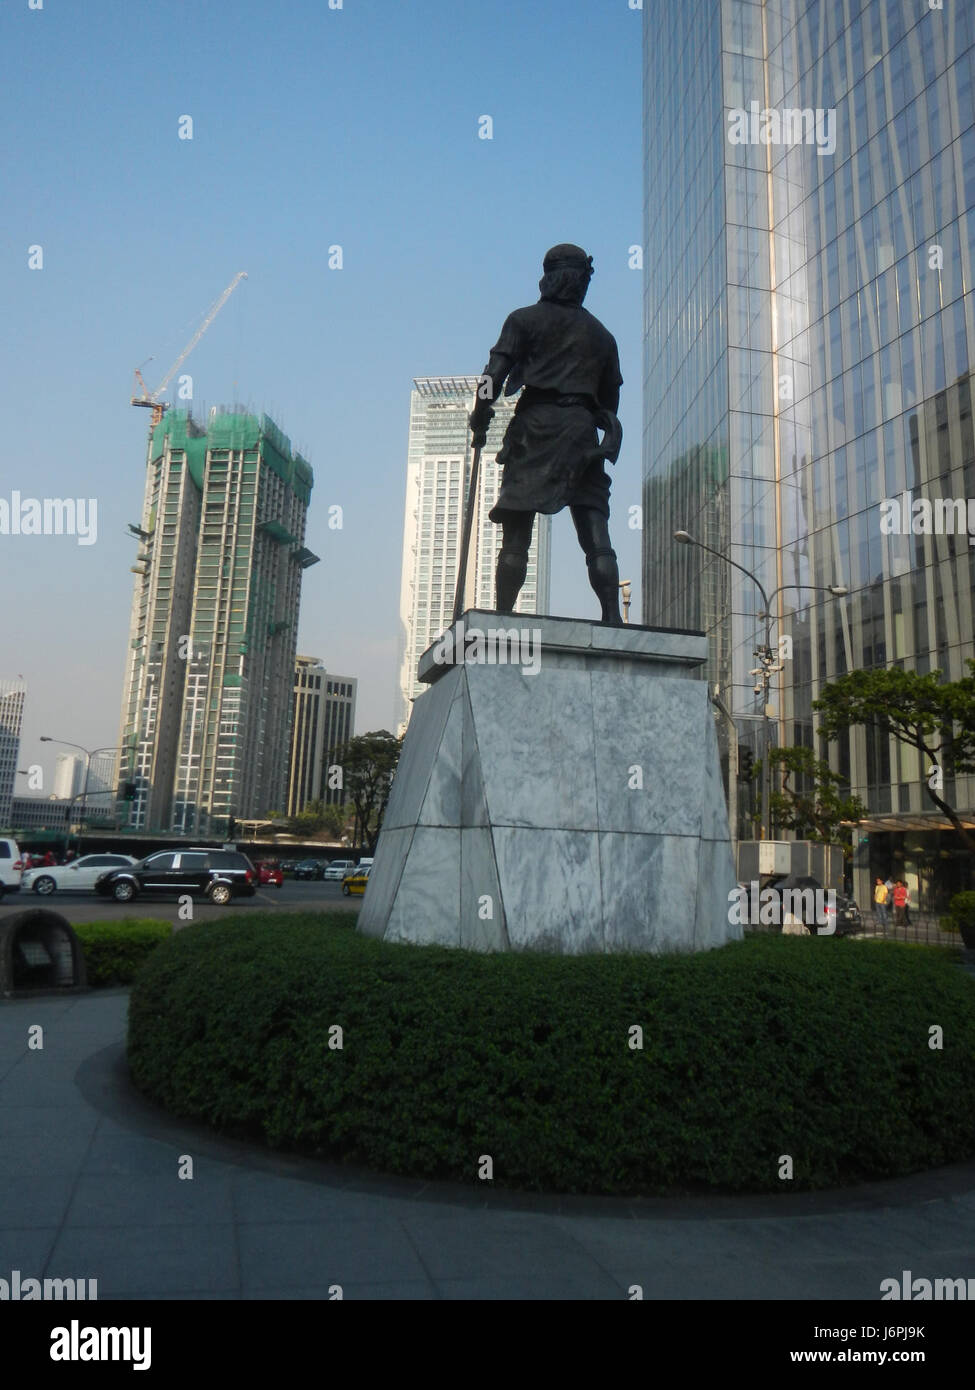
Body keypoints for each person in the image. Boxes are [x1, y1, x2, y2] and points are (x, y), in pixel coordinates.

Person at [469, 244, 625, 624]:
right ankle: (611, 616)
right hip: (581, 433)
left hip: (534, 428)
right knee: (595, 532)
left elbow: (492, 379)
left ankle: (503, 615)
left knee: (516, 534)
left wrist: (480, 414)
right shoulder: (602, 336)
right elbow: (609, 404)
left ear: (548, 277)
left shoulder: (523, 320)